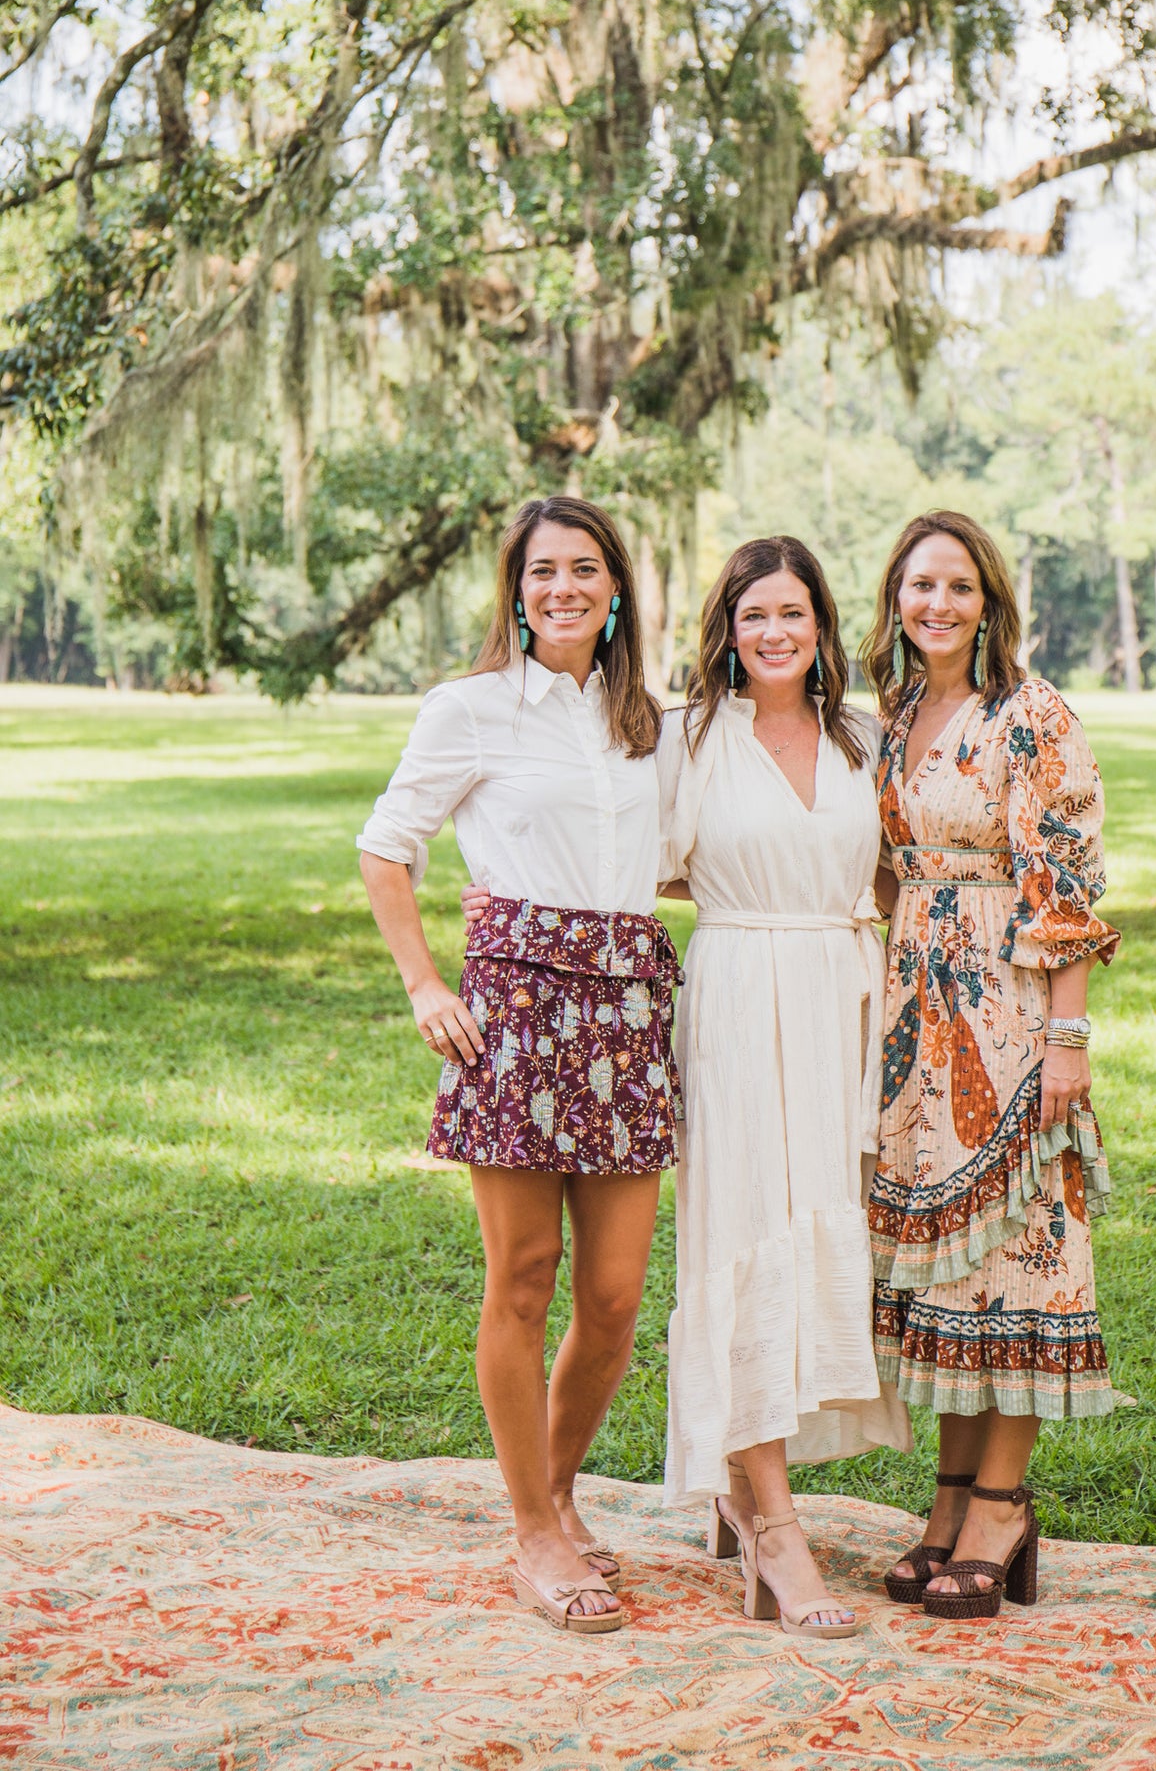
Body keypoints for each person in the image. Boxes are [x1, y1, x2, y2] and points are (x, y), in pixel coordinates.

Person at [357, 494, 677, 1638]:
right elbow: (386, 848)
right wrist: (425, 986)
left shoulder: (655, 720)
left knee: (616, 1294)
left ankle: (559, 1487)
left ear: (616, 586)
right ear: (515, 587)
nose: (564, 589)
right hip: (516, 1012)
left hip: (630, 1007)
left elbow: (671, 859)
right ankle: (535, 1531)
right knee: (527, 1274)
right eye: (543, 571)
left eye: (585, 569)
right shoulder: (472, 709)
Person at [861, 510, 1119, 1620]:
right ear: (896, 598)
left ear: (989, 598)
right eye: (920, 586)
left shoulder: (1031, 716)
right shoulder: (894, 715)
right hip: (914, 1019)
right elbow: (875, 870)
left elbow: (1066, 882)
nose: (938, 605)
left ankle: (1003, 1505)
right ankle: (950, 1504)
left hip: (1008, 1017)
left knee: (1015, 1258)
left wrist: (1067, 1038)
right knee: (948, 1277)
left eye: (958, 586)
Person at [660, 536, 910, 1636]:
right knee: (742, 1236)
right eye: (755, 614)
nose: (774, 633)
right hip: (737, 989)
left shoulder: (861, 737)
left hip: (844, 999)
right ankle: (770, 1527)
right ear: (727, 626)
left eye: (794, 616)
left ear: (821, 630)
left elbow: (902, 869)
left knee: (828, 1229)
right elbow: (634, 863)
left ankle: (739, 1481)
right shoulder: (688, 739)